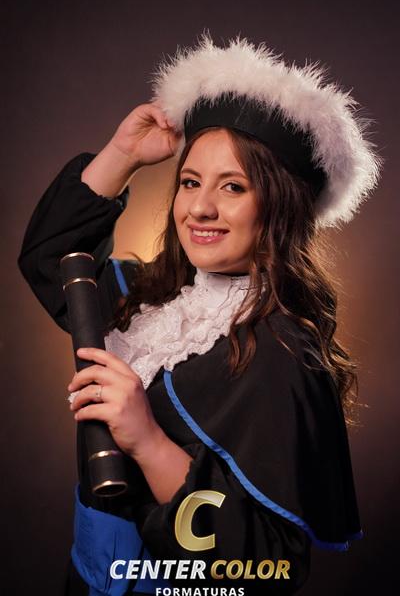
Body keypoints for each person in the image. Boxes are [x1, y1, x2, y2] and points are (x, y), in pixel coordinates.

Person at [18, 33, 382, 596]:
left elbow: (267, 564)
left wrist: (147, 441)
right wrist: (123, 155)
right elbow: (52, 255)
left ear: (280, 208)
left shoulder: (284, 352)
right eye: (190, 183)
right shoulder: (151, 300)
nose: (200, 208)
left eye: (233, 187)